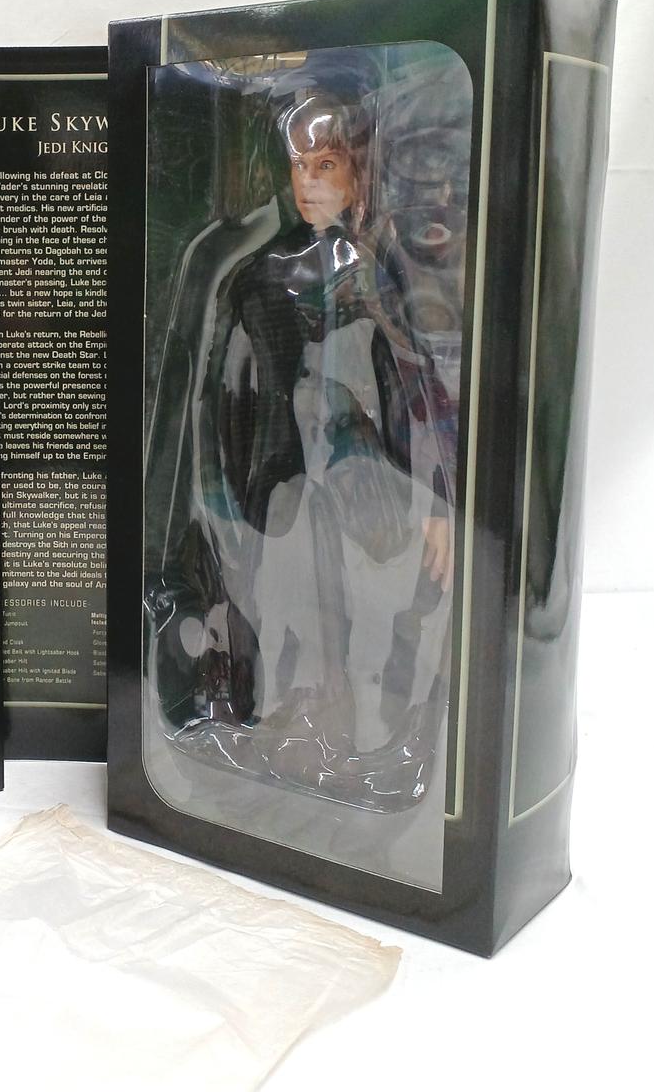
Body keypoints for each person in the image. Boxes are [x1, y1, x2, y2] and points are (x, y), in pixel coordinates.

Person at [154, 87, 454, 811]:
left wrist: (438, 497)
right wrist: (218, 502)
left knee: (373, 613)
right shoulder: (257, 277)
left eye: (327, 165)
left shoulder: (375, 273)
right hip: (273, 484)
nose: (312, 182)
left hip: (364, 481)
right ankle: (295, 730)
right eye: (300, 166)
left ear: (356, 174)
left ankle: (352, 738)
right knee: (285, 612)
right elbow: (218, 397)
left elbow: (415, 389)